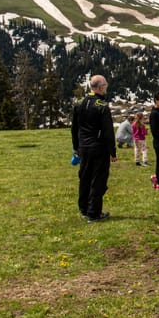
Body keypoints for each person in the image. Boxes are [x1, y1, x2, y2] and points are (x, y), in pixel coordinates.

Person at [71, 75, 118, 222]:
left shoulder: (79, 103)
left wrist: (76, 147)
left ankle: (84, 208)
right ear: (101, 87)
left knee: (84, 177)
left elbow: (74, 129)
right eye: (105, 86)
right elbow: (108, 131)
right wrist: (112, 151)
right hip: (99, 148)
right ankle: (94, 213)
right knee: (98, 180)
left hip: (83, 147)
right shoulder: (102, 106)